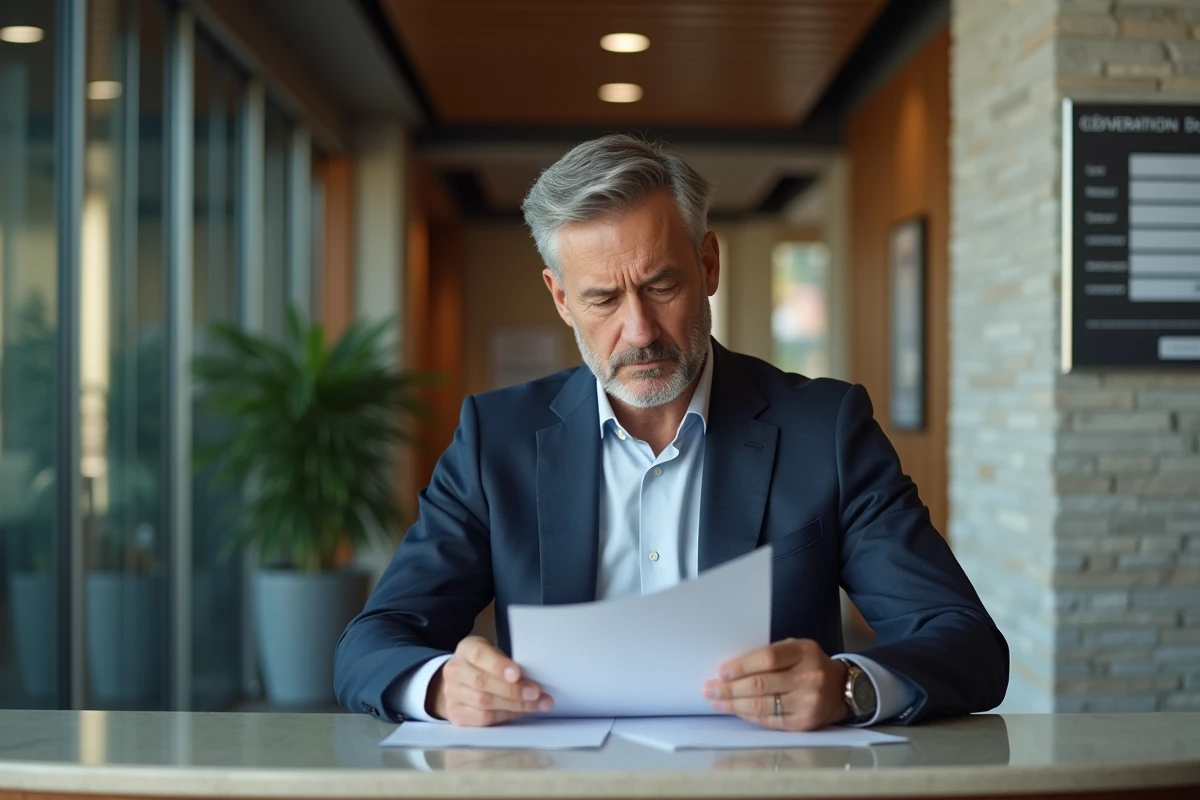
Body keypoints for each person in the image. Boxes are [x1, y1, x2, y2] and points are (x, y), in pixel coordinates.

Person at [334, 135, 1008, 730]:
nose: (639, 331)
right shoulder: (495, 440)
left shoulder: (825, 430)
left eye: (661, 286)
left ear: (708, 264)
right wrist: (442, 686)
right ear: (561, 297)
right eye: (602, 298)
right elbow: (373, 641)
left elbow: (967, 643)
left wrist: (848, 685)